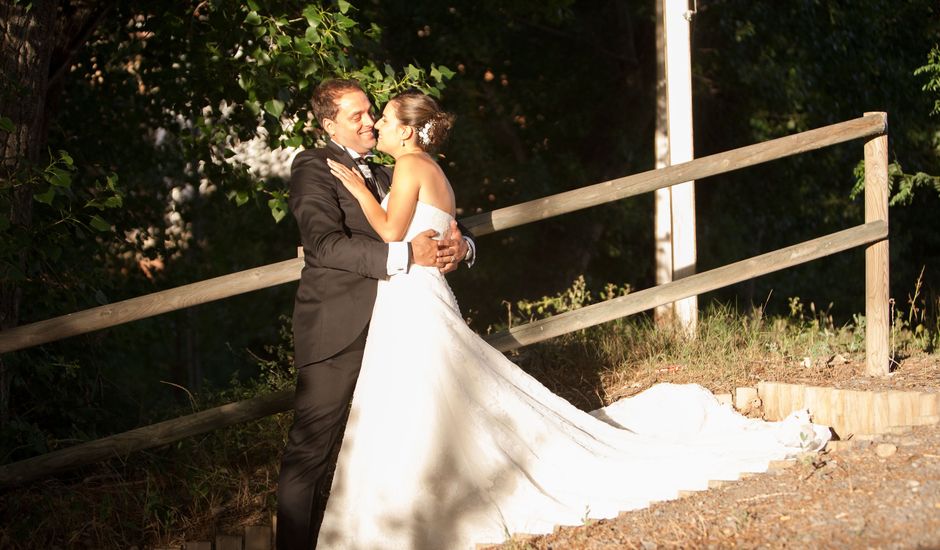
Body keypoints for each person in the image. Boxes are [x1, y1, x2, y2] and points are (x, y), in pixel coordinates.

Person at [318, 90, 831, 549]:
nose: (377, 126)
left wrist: (362, 194)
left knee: (424, 398)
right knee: (427, 398)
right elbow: (436, 227)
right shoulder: (428, 169)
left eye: (383, 118)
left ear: (408, 129)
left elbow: (389, 233)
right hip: (415, 294)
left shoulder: (408, 167)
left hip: (412, 297)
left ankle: (423, 504)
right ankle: (422, 497)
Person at [277, 79, 475, 550]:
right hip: (339, 330)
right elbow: (325, 245)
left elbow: (433, 216)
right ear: (330, 126)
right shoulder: (313, 166)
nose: (369, 122)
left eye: (371, 112)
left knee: (405, 438)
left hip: (401, 326)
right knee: (311, 454)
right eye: (357, 116)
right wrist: (408, 257)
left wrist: (462, 245)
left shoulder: (392, 168)